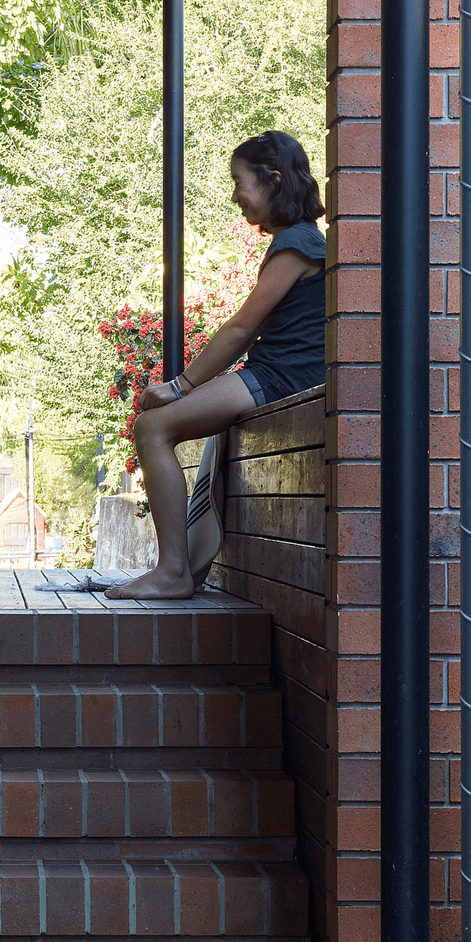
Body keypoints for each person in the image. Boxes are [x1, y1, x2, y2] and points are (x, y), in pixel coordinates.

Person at [107, 130, 326, 601]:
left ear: (273, 180)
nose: (234, 196)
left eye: (239, 182)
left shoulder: (299, 244)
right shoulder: (298, 240)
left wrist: (180, 386)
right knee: (152, 428)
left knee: (152, 428)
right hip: (274, 371)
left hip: (281, 376)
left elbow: (241, 329)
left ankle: (172, 572)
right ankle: (173, 569)